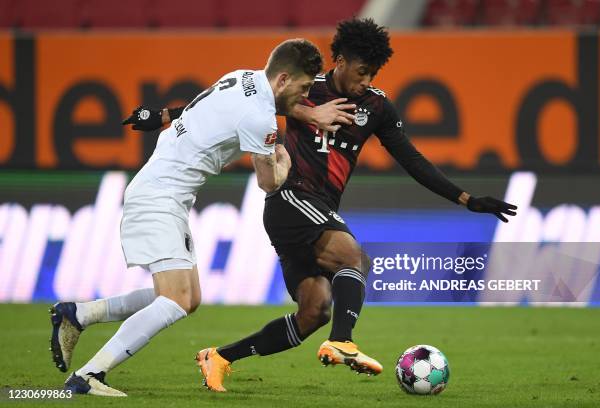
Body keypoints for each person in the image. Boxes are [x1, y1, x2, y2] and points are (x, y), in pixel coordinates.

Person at [121, 18, 518, 393]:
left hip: (317, 208)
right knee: (355, 258)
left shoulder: (376, 108)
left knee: (315, 310)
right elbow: (234, 104)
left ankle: (220, 357)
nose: (366, 82)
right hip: (291, 195)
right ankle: (343, 342)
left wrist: (466, 200)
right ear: (340, 61)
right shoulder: (306, 87)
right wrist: (163, 115)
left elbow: (413, 160)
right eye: (361, 72)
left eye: (373, 75)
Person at [49, 38, 341, 397]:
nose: (307, 96)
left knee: (189, 297)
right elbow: (269, 183)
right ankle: (89, 374)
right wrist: (285, 164)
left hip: (162, 193)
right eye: (305, 88)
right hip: (159, 198)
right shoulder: (260, 117)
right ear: (282, 79)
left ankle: (79, 314)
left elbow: (197, 107)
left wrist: (163, 115)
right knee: (175, 300)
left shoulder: (241, 77)